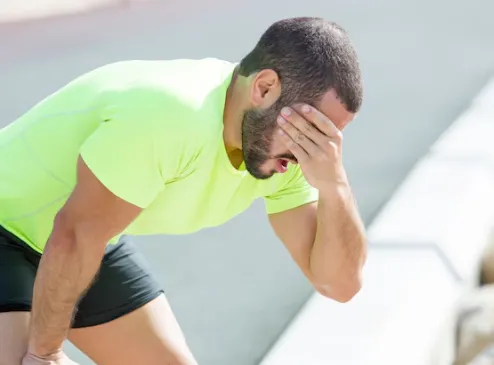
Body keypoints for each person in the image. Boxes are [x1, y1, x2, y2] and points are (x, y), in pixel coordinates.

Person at [0, 16, 367, 365]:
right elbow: (75, 235)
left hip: (88, 235)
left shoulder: (292, 155)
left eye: (329, 138)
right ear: (264, 88)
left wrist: (335, 185)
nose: (315, 151)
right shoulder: (172, 113)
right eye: (312, 130)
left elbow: (339, 284)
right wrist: (44, 353)